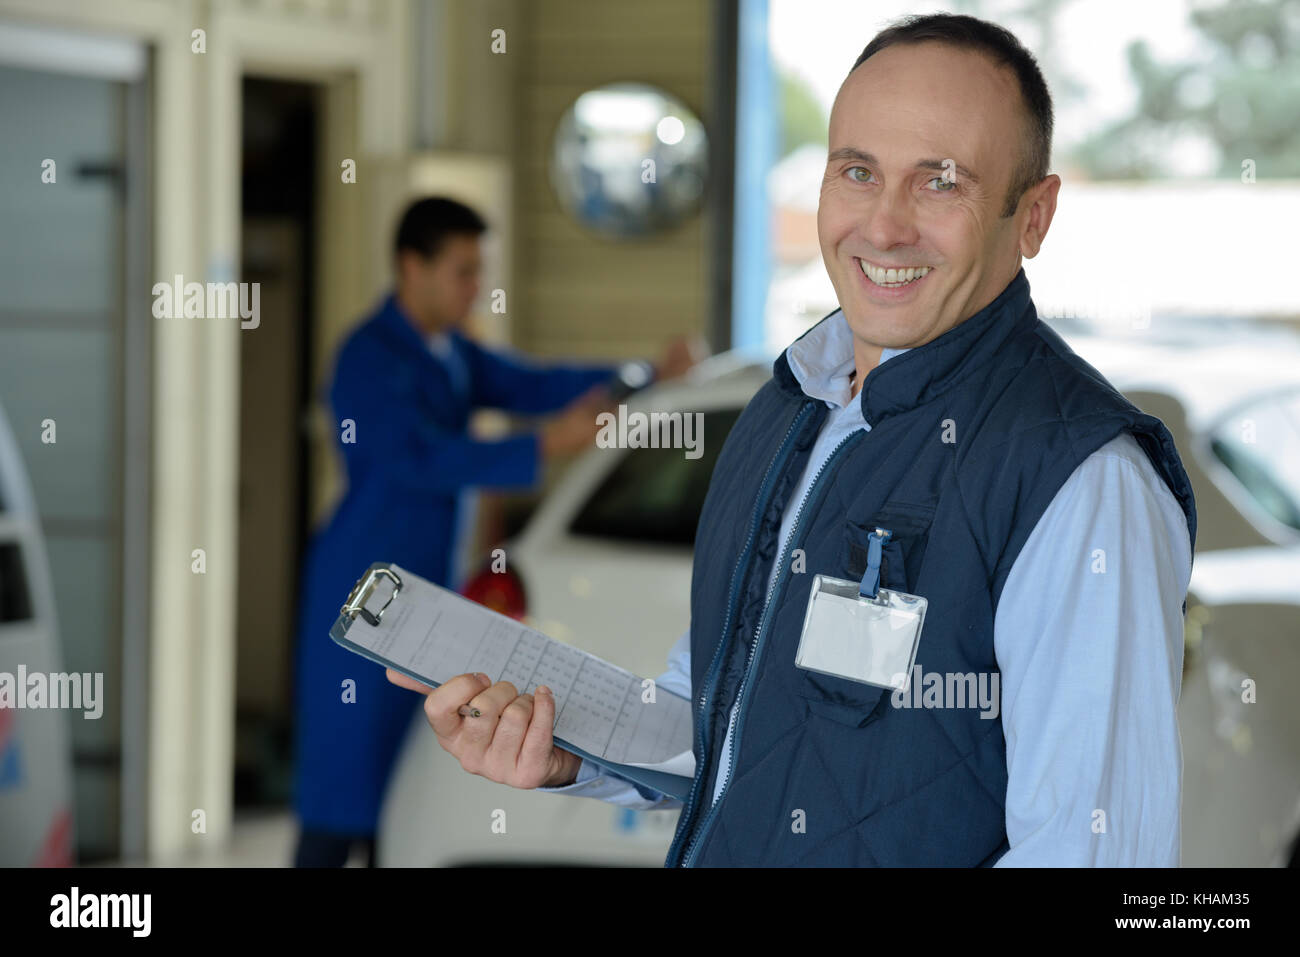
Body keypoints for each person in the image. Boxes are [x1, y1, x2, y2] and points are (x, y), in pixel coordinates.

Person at [387, 14, 1198, 866]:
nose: (883, 226)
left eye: (940, 182)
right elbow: (721, 721)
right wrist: (566, 753)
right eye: (857, 172)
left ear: (1032, 216)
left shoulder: (1082, 480)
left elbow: (1097, 855)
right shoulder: (787, 412)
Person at [291, 196, 694, 866]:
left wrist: (645, 372)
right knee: (345, 780)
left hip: (428, 589)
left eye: (479, 272)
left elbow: (531, 381)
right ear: (410, 267)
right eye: (463, 271)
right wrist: (541, 448)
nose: (476, 287)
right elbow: (414, 455)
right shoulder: (369, 355)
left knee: (409, 772)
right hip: (364, 586)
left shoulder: (450, 352)